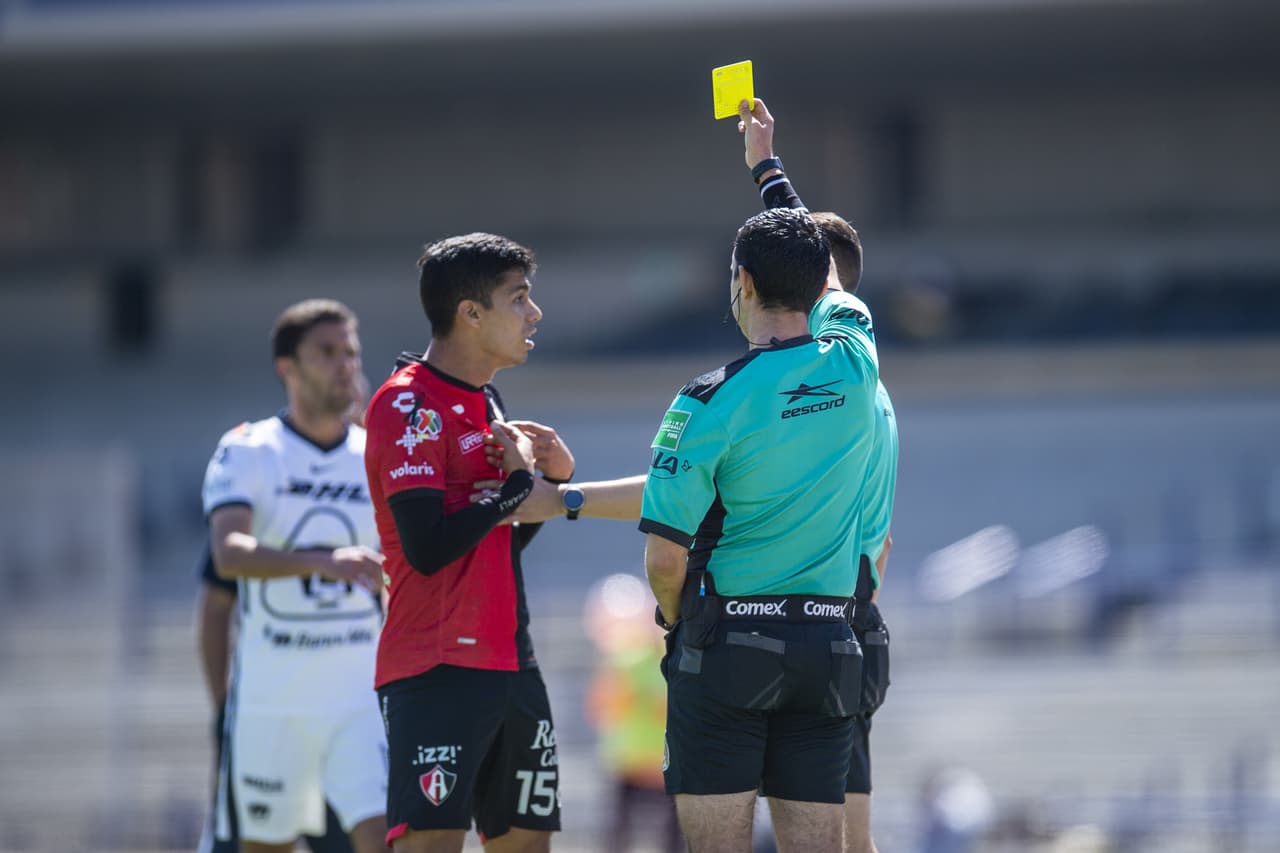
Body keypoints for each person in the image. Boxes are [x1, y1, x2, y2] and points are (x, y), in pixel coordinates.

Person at [641, 202, 880, 852]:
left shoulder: (705, 398)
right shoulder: (857, 367)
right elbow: (831, 276)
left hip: (728, 651)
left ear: (742, 281)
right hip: (829, 649)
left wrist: (676, 620)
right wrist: (770, 171)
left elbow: (665, 560)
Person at [362, 233, 575, 853]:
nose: (533, 314)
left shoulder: (487, 401)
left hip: (513, 663)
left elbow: (497, 543)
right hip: (437, 669)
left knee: (528, 845)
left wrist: (551, 480)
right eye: (520, 298)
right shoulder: (407, 404)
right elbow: (427, 548)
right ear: (470, 312)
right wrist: (515, 486)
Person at [740, 98, 899, 853]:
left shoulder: (827, 380)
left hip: (805, 626)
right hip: (850, 623)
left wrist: (769, 168)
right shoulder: (865, 381)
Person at [202, 299, 387, 853]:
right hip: (271, 702)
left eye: (351, 353)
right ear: (288, 367)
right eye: (326, 353)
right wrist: (323, 560)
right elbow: (228, 554)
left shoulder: (376, 455)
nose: (344, 366)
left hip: (362, 701)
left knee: (384, 841)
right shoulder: (249, 451)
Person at [194, 544, 357, 853]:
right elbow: (215, 607)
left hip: (345, 721)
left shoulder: (366, 506)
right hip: (267, 719)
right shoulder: (253, 506)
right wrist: (224, 708)